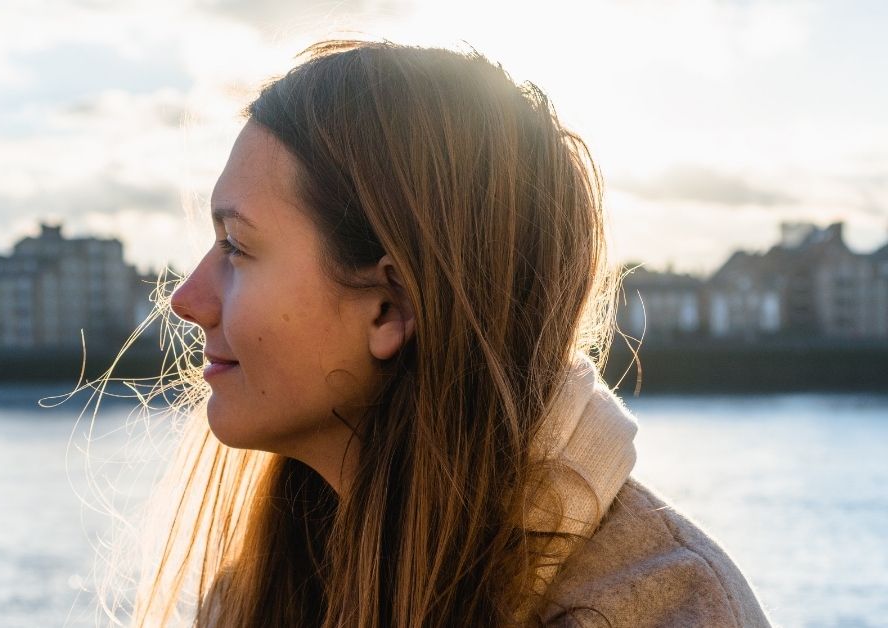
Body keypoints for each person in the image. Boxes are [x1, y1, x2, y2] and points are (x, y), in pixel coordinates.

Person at [123, 40, 771, 626]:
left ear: (391, 310)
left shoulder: (670, 611)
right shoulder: (262, 595)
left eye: (236, 246)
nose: (186, 300)